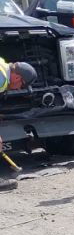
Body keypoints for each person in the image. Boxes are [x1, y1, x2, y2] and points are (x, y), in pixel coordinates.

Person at [1, 58, 38, 192]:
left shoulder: (3, 66)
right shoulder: (2, 78)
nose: (20, 88)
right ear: (17, 77)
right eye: (22, 85)